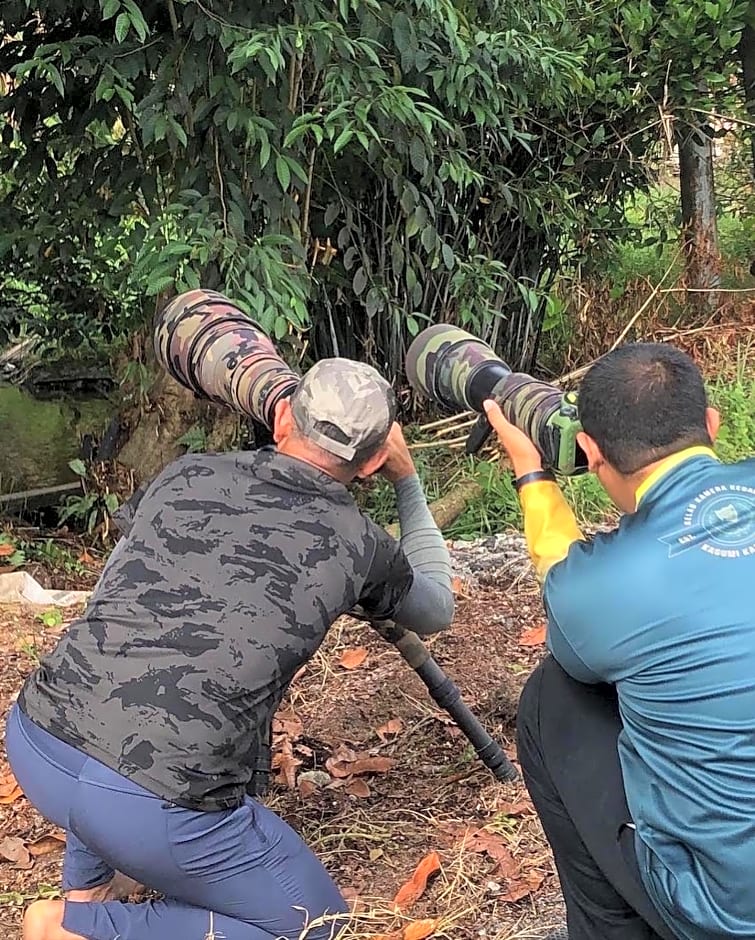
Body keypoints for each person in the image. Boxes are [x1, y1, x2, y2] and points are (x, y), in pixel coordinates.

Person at [6, 358, 454, 940]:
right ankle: (75, 928)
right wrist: (408, 481)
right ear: (372, 461)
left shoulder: (186, 474)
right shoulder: (359, 543)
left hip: (37, 739)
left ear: (284, 419)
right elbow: (436, 608)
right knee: (314, 925)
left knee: (124, 683)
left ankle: (85, 891)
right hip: (154, 802)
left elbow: (112, 612)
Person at [483, 342, 755, 940]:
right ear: (713, 423)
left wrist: (531, 473)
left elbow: (562, 584)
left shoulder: (602, 586)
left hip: (727, 915)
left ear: (590, 451)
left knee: (555, 697)